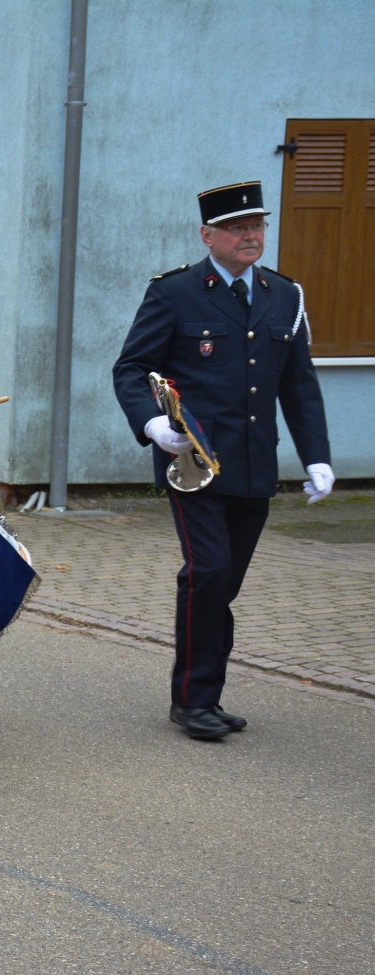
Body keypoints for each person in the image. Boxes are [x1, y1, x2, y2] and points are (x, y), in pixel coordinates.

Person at [112, 181, 334, 741]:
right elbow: (131, 368)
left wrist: (318, 458)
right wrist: (152, 423)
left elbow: (298, 386)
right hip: (194, 466)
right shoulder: (176, 293)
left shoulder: (285, 295)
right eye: (237, 228)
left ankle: (205, 693)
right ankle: (192, 701)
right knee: (207, 572)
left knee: (221, 585)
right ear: (207, 235)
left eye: (256, 225)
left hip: (256, 467)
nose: (250, 236)